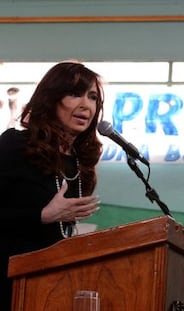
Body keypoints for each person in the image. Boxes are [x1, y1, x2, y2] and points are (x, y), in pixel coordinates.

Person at [0, 61, 103, 310]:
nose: (85, 105)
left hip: (51, 288)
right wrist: (42, 215)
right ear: (51, 98)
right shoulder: (14, 145)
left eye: (93, 98)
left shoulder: (82, 165)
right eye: (74, 94)